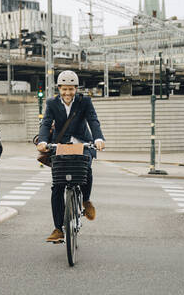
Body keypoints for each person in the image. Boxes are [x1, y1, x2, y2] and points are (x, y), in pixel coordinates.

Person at [36, 70, 105, 243]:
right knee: (57, 186)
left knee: (86, 169)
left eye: (71, 89)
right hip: (61, 145)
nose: (67, 93)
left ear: (76, 88)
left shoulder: (84, 101)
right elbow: (45, 123)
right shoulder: (52, 103)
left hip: (83, 142)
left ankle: (86, 200)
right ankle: (58, 229)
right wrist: (43, 141)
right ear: (59, 88)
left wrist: (98, 138)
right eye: (64, 89)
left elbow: (93, 120)